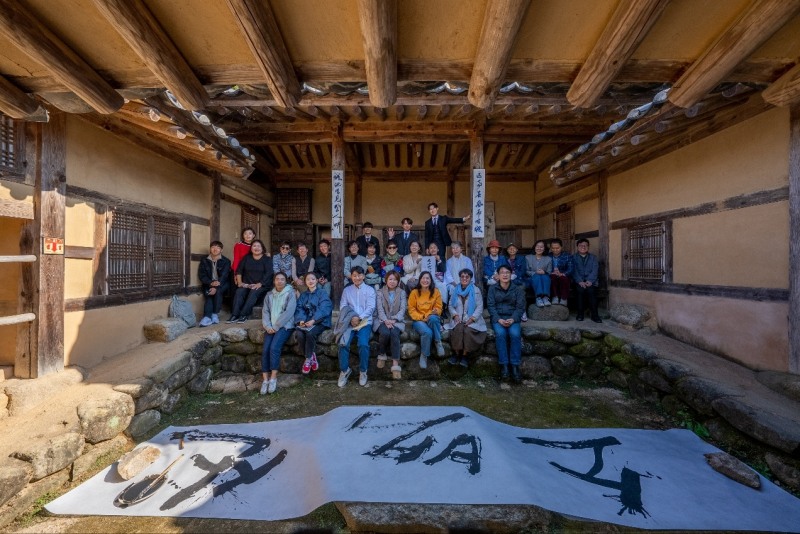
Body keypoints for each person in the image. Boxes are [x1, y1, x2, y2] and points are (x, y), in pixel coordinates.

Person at [335, 266, 376, 388]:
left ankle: (363, 371)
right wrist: (352, 318)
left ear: (363, 276)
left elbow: (371, 307)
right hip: (349, 322)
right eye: (354, 275)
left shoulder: (370, 290)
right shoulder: (347, 290)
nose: (357, 278)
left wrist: (359, 318)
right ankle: (344, 370)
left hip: (364, 322)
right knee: (343, 344)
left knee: (363, 344)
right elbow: (343, 306)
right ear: (351, 277)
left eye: (359, 275)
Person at [488, 265, 526, 383]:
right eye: (502, 273)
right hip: (498, 318)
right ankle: (504, 366)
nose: (505, 275)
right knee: (500, 334)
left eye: (507, 272)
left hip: (512, 318)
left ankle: (514, 366)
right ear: (498, 276)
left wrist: (513, 319)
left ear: (511, 275)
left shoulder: (518, 289)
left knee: (515, 334)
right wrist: (498, 319)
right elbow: (491, 306)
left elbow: (520, 307)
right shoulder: (492, 289)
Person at [259, 272, 296, 395]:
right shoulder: (269, 295)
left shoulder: (290, 293)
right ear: (274, 281)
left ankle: (273, 377)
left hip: (284, 326)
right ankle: (265, 380)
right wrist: (268, 326)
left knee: (274, 348)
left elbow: (289, 312)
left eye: (282, 279)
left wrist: (276, 326)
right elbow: (265, 312)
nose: (280, 281)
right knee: (265, 350)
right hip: (270, 327)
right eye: (277, 279)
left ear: (286, 281)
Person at [445, 269, 487, 368]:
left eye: (467, 277)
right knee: (458, 330)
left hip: (472, 319)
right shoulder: (455, 290)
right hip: (458, 319)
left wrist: (472, 318)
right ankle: (456, 354)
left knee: (468, 331)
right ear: (460, 278)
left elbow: (480, 307)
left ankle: (465, 355)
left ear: (470, 278)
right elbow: (450, 305)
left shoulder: (476, 290)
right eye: (462, 277)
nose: (464, 278)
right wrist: (455, 315)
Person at [294, 272, 333, 375]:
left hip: (320, 321)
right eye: (308, 280)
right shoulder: (303, 295)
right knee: (299, 334)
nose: (310, 281)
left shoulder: (322, 293)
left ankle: (307, 359)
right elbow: (300, 308)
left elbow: (324, 308)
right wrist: (301, 320)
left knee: (310, 333)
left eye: (313, 279)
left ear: (316, 280)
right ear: (305, 282)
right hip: (306, 322)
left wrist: (314, 320)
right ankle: (312, 356)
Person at [229, 239, 273, 323]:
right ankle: (235, 315)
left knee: (254, 291)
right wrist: (240, 283)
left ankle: (244, 314)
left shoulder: (267, 259)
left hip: (262, 285)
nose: (256, 248)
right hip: (247, 284)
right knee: (239, 292)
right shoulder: (246, 258)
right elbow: (239, 271)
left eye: (258, 246)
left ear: (262, 248)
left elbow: (269, 273)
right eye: (254, 246)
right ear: (251, 248)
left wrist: (260, 284)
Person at [408, 271, 444, 369]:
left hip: (432, 317)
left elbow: (439, 307)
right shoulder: (414, 293)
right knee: (427, 333)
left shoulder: (436, 291)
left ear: (431, 280)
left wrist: (434, 311)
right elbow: (411, 310)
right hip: (418, 320)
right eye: (423, 278)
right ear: (419, 280)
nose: (425, 280)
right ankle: (424, 355)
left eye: (427, 278)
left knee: (433, 319)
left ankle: (438, 342)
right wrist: (423, 317)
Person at [374, 271, 406, 380]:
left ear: (398, 281)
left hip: (397, 321)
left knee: (394, 334)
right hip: (382, 320)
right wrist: (386, 320)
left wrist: (393, 319)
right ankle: (382, 354)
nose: (392, 282)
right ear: (386, 280)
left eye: (395, 279)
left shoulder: (401, 292)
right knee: (385, 332)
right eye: (390, 279)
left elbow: (403, 309)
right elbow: (379, 309)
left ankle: (395, 364)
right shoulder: (379, 292)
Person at [198, 240, 230, 326]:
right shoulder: (204, 260)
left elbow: (224, 276)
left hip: (222, 283)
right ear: (210, 249)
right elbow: (202, 275)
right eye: (213, 247)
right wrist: (211, 283)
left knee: (217, 291)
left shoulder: (226, 261)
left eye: (218, 247)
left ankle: (213, 314)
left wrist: (216, 286)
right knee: (209, 294)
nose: (215, 249)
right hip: (208, 283)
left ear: (221, 250)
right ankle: (208, 317)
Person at [572, 238, 601, 323]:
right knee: (580, 290)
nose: (583, 247)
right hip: (578, 281)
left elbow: (595, 270)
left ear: (588, 247)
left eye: (585, 245)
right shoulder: (573, 257)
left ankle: (595, 315)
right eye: (581, 245)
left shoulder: (593, 258)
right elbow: (573, 271)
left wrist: (590, 281)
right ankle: (580, 314)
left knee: (591, 291)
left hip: (591, 281)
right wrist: (579, 281)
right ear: (577, 247)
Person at [526, 240, 552, 307]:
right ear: (534, 247)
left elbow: (549, 272)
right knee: (537, 276)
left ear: (544, 248)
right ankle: (538, 298)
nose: (539, 248)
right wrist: (535, 272)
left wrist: (544, 272)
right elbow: (526, 270)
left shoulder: (548, 259)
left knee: (545, 276)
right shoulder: (528, 257)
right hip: (531, 278)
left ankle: (545, 298)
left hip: (544, 277)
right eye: (537, 246)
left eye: (541, 247)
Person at [231, 227, 255, 298]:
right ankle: (234, 308)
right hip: (238, 270)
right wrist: (236, 274)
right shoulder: (238, 245)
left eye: (250, 233)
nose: (248, 235)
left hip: (250, 271)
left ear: (253, 235)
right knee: (236, 292)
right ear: (243, 235)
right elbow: (236, 260)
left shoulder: (255, 245)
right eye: (245, 234)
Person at [549, 238, 573, 307]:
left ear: (561, 247)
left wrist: (563, 273)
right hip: (552, 275)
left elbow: (571, 268)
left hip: (563, 275)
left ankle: (564, 298)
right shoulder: (548, 256)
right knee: (552, 277)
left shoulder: (567, 255)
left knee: (564, 278)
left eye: (557, 248)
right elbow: (545, 267)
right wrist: (551, 272)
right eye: (553, 248)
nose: (555, 250)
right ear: (551, 248)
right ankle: (555, 297)